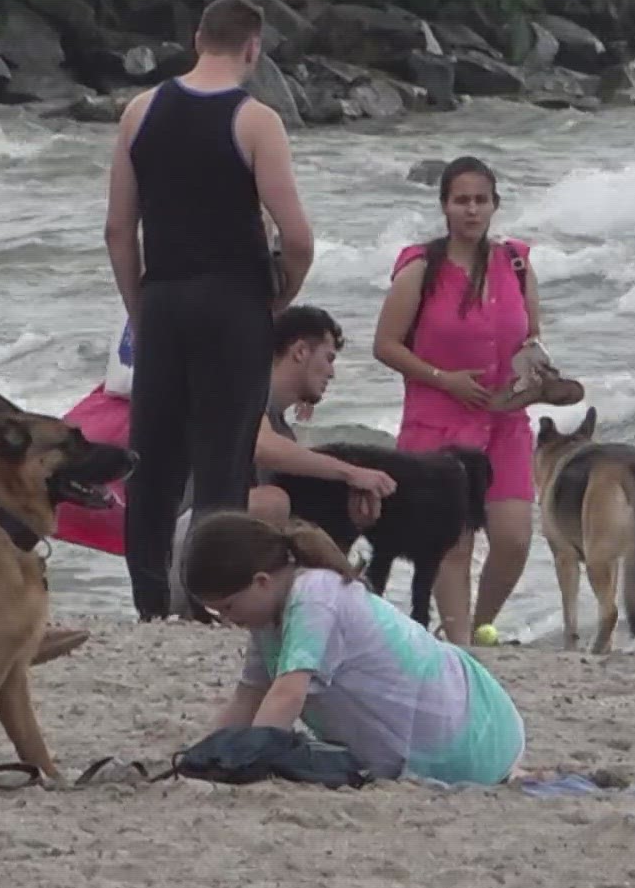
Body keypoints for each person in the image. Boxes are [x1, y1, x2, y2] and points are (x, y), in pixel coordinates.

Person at [105, 0, 317, 621]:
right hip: (234, 303)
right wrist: (284, 293)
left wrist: (140, 308)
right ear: (254, 49)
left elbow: (119, 231)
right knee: (224, 462)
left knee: (153, 462)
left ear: (198, 37)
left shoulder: (139, 112)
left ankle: (149, 603)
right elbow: (297, 237)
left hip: (165, 297)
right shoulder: (255, 122)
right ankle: (211, 601)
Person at [371, 156, 581, 647]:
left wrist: (540, 379)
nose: (471, 210)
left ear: (495, 205)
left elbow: (531, 337)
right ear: (444, 206)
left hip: (505, 421)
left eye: (480, 200)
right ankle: (461, 645)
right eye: (461, 200)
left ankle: (473, 626)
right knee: (453, 544)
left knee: (513, 539)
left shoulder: (516, 263)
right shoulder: (421, 269)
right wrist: (444, 379)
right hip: (437, 423)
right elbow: (385, 345)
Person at [182, 510, 526, 787]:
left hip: (470, 737)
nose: (228, 620)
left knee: (284, 756)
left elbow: (287, 695)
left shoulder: (315, 597)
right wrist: (198, 757)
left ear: (261, 581)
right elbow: (249, 696)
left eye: (228, 607)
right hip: (411, 741)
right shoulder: (266, 618)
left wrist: (243, 765)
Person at [164, 305, 397, 610]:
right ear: (300, 351)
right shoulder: (244, 389)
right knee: (274, 502)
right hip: (184, 535)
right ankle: (199, 605)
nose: (332, 372)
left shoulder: (279, 425)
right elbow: (259, 445)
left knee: (297, 519)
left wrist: (352, 522)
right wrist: (351, 472)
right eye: (328, 358)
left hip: (203, 539)